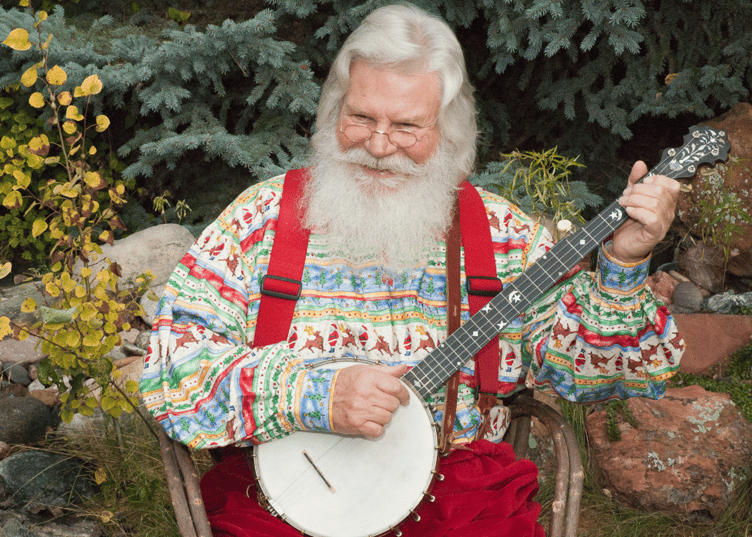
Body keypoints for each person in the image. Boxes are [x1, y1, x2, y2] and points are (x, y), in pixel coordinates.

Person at [139, 4, 684, 536]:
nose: (378, 146)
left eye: (406, 126)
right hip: (284, 501)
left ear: (449, 133)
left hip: (461, 504)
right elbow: (171, 374)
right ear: (333, 115)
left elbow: (605, 373)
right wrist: (312, 396)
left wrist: (624, 262)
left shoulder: (501, 237)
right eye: (360, 118)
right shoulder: (260, 222)